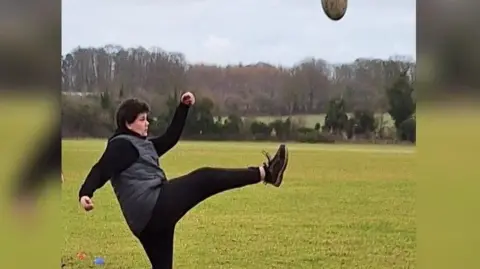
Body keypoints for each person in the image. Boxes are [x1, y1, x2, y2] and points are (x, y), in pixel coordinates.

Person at [78, 92, 289, 269]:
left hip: (147, 224)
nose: (147, 123)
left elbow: (170, 138)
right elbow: (101, 168)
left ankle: (266, 174)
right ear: (127, 123)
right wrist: (85, 193)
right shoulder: (121, 145)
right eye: (142, 119)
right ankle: (265, 173)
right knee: (204, 178)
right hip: (152, 205)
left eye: (146, 118)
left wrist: (183, 108)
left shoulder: (142, 144)